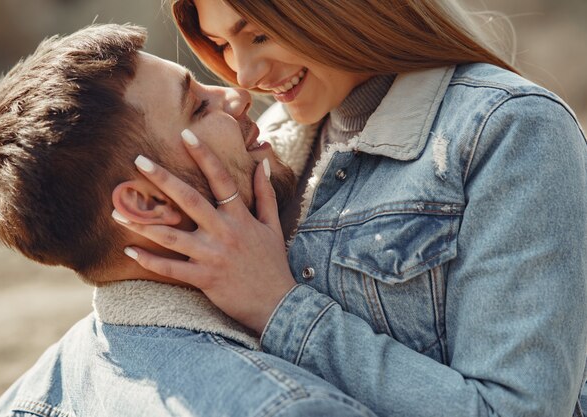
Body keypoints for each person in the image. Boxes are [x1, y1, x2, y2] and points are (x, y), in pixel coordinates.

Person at [114, 1, 587, 416]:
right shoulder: (276, 141)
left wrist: (278, 307)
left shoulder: (509, 128)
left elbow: (518, 409)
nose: (244, 76)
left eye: (257, 34)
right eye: (223, 44)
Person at [0, 23, 378, 417]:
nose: (237, 95)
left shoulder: (25, 399)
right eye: (198, 106)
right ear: (147, 203)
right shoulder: (287, 407)